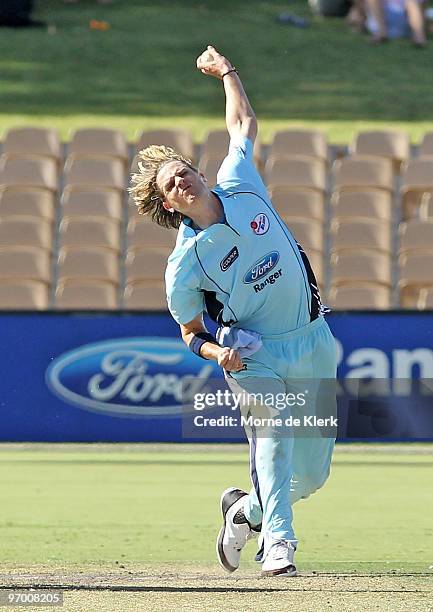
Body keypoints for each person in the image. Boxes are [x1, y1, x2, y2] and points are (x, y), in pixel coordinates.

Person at [129, 46, 337, 577]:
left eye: (183, 172)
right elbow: (189, 329)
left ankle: (243, 514)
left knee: (311, 476)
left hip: (312, 339)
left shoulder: (240, 182)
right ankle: (279, 545)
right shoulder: (186, 263)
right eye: (170, 184)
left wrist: (227, 72)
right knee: (273, 437)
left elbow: (243, 122)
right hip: (256, 356)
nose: (182, 181)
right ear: (167, 206)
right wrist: (219, 350)